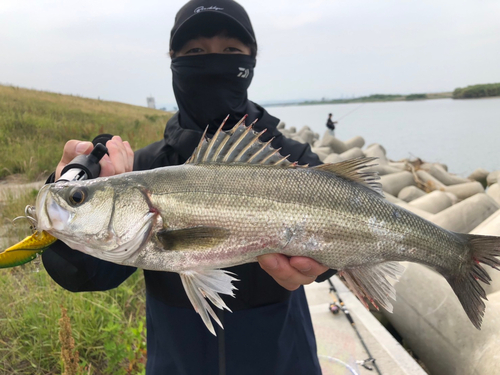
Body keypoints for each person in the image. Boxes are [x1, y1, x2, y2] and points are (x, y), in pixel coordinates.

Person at [42, 1, 336, 374]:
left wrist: (323, 266)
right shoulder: (142, 169)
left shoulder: (294, 161)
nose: (213, 61)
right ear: (173, 59)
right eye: (196, 51)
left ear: (252, 59)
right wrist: (70, 191)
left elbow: (344, 239)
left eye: (230, 50)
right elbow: (87, 275)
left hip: (284, 360)